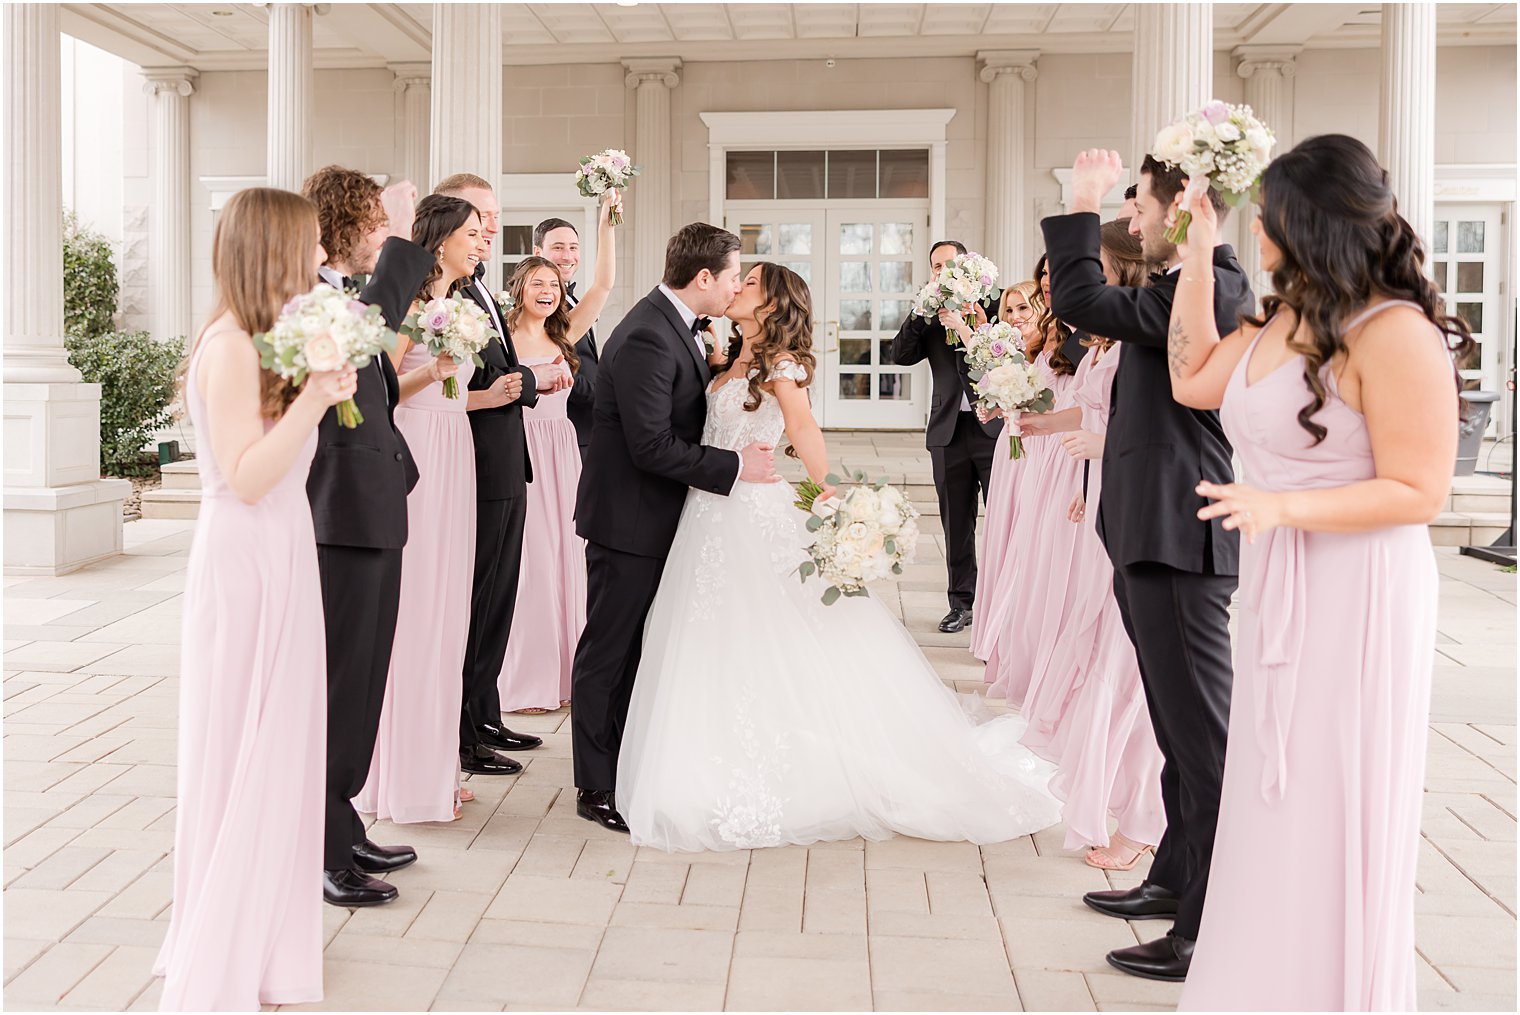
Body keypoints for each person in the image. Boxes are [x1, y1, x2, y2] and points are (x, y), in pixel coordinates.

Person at [617, 261, 1064, 851]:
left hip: (749, 509)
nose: (737, 288)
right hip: (708, 512)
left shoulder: (783, 365)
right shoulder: (726, 355)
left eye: (748, 283)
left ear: (772, 304)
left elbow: (804, 431)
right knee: (715, 635)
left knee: (770, 631)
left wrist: (830, 497)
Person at [1166, 134, 1466, 1010]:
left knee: (1334, 791)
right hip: (1280, 582)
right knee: (1274, 789)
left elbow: (1421, 489)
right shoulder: (1276, 324)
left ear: (1314, 222)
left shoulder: (1394, 332)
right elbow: (1190, 376)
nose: (1258, 225)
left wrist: (1282, 507)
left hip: (1359, 592)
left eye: (1271, 211)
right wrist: (1195, 253)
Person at [1041, 147, 1252, 981]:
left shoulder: (1210, 285)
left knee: (1204, 741)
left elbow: (1083, 297)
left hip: (1178, 537)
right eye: (1122, 208)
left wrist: (1079, 199)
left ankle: (1210, 922)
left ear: (1183, 206)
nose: (1131, 219)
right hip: (1148, 532)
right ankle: (1172, 876)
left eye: (1138, 206)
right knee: (1175, 727)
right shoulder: (1183, 285)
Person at [154, 187, 357, 1009]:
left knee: (279, 748)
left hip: (280, 551)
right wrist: (314, 394)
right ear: (274, 249)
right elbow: (243, 478)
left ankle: (262, 939)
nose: (319, 260)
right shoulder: (232, 347)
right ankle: (228, 946)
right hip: (246, 560)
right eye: (309, 245)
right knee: (247, 747)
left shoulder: (259, 340)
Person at [570, 222, 779, 832]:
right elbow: (650, 447)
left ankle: (623, 765)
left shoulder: (675, 328)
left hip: (657, 518)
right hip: (627, 520)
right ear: (705, 277)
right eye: (734, 275)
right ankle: (594, 785)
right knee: (608, 650)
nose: (738, 286)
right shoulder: (646, 337)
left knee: (637, 648)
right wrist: (735, 465)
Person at [301, 166, 435, 908]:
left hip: (373, 505)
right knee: (342, 683)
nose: (384, 239)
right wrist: (408, 242)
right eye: (376, 225)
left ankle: (342, 818)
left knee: (366, 679)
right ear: (342, 226)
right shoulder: (316, 298)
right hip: (341, 514)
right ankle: (324, 847)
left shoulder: (343, 294)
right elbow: (364, 343)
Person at [1026, 220, 1165, 872]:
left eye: (1096, 266)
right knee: (1097, 653)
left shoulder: (1142, 345)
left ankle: (1143, 816)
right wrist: (1043, 423)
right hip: (1106, 512)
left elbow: (1146, 434)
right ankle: (1120, 801)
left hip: (1133, 513)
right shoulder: (1108, 347)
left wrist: (1101, 452)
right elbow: (1090, 413)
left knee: (1125, 671)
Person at [433, 173, 570, 777]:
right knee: (479, 595)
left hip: (510, 460)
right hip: (478, 461)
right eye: (480, 217)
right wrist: (493, 397)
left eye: (492, 215)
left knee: (500, 597)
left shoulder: (480, 289)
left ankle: (485, 713)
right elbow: (448, 385)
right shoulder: (442, 296)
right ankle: (463, 734)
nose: (490, 226)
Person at [354, 195, 484, 824]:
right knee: (422, 609)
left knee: (448, 608)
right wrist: (436, 369)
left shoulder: (456, 305)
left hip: (455, 446)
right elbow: (383, 386)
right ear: (441, 239)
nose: (482, 240)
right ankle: (404, 776)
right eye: (472, 231)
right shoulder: (410, 305)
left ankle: (436, 765)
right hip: (423, 452)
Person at [888, 240, 1003, 634]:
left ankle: (1003, 604)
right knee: (956, 523)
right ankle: (962, 604)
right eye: (935, 266)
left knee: (1004, 520)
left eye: (949, 264)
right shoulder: (929, 312)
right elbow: (899, 355)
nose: (941, 271)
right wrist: (923, 312)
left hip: (995, 429)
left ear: (969, 265)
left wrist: (974, 318)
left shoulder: (995, 302)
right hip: (948, 430)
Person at [965, 279, 1043, 663]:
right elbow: (995, 398)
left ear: (1039, 309)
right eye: (1009, 310)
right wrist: (995, 406)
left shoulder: (1051, 350)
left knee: (1029, 536)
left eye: (1023, 309)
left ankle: (1023, 631)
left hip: (1040, 449)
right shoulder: (1006, 354)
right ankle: (1000, 628)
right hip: (1009, 448)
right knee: (1005, 531)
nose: (1015, 318)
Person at [534, 215, 606, 457]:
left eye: (573, 248)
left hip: (590, 429)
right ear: (537, 251)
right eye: (558, 247)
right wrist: (604, 398)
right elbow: (557, 367)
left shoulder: (574, 300)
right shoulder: (541, 308)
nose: (567, 256)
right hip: (567, 428)